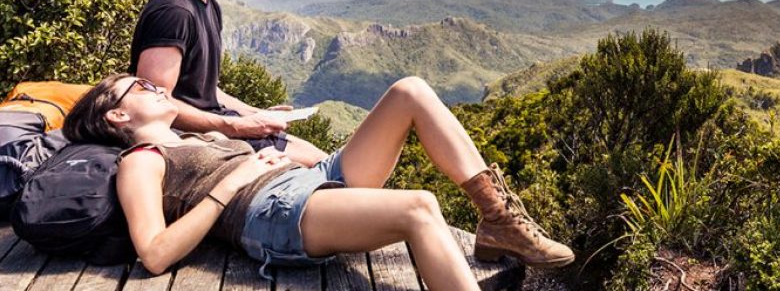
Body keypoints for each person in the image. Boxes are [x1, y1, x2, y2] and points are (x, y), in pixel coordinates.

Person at [62, 73, 575, 287]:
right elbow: (153, 253)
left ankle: (498, 218)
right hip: (271, 213)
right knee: (419, 207)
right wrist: (233, 178)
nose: (154, 87)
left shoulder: (192, 135)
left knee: (410, 91)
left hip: (308, 182)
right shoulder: (143, 160)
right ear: (117, 119)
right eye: (140, 87)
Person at [129, 0, 326, 166]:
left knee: (333, 162)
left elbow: (204, 90)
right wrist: (235, 126)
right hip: (199, 139)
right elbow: (154, 102)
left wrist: (254, 114)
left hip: (219, 127)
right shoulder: (174, 12)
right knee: (331, 168)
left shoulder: (209, 6)